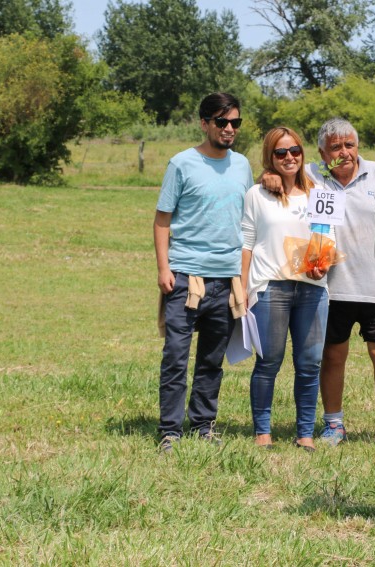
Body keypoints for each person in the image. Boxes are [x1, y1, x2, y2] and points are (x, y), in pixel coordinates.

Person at [263, 118, 375, 448]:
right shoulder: (311, 174)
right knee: (333, 356)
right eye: (335, 147)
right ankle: (334, 424)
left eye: (350, 145)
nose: (344, 152)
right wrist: (268, 176)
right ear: (322, 153)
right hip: (331, 287)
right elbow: (280, 173)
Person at [153, 93, 253, 452]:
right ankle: (170, 430)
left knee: (212, 360)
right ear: (204, 124)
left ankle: (203, 425)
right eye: (221, 122)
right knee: (176, 357)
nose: (229, 129)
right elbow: (162, 219)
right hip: (186, 278)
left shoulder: (242, 165)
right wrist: (164, 268)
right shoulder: (182, 164)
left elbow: (250, 219)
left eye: (235, 122)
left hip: (227, 279)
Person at [241, 127, 330, 452]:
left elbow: (326, 237)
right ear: (270, 156)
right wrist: (242, 289)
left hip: (313, 289)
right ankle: (262, 431)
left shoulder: (319, 193)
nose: (289, 157)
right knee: (269, 362)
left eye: (294, 150)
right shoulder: (257, 194)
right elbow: (247, 243)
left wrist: (324, 263)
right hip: (270, 289)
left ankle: (305, 433)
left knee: (310, 364)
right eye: (281, 152)